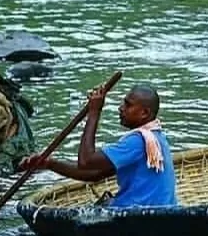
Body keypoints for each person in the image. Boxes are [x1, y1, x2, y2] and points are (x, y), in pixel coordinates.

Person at [17, 81, 177, 209]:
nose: (121, 108)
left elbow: (85, 162)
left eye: (128, 105)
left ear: (144, 113)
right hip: (159, 210)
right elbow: (94, 174)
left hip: (136, 211)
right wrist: (50, 164)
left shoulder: (139, 140)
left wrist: (94, 112)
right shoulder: (155, 136)